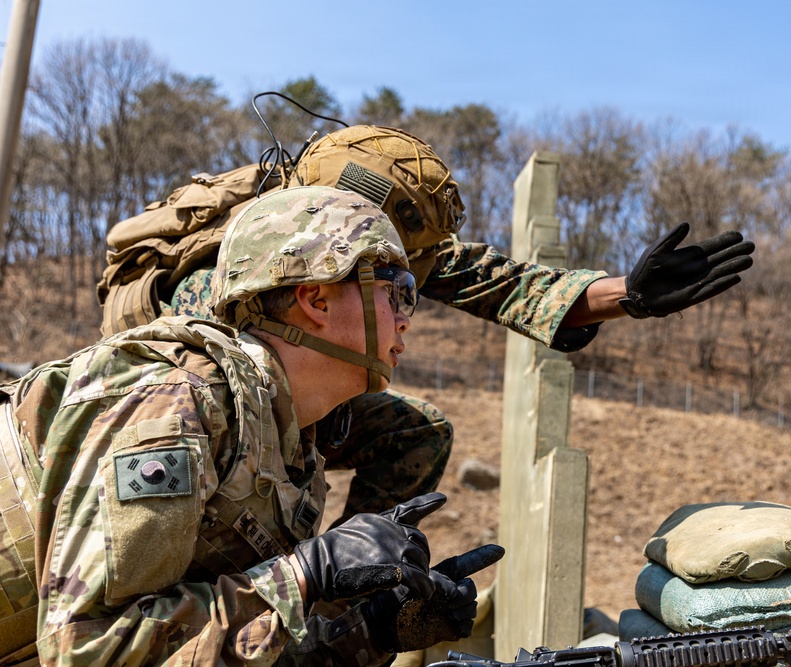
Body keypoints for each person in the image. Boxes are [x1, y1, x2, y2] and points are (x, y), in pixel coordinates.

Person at [99, 124, 756, 525]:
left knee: (414, 432)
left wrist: (624, 295)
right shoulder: (220, 279)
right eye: (392, 269)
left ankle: (350, 594)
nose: (407, 286)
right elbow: (209, 400)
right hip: (170, 427)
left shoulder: (353, 243)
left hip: (269, 408)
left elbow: (498, 282)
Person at [0, 186, 502, 666]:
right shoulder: (179, 404)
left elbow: (221, 649)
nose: (406, 318)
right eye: (397, 290)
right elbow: (85, 652)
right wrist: (303, 575)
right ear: (316, 299)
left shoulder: (288, 455)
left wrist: (374, 631)